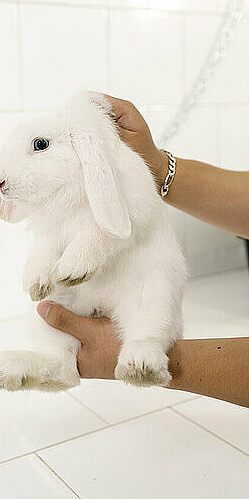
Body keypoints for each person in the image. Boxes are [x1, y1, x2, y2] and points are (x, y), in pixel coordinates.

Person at [37, 96, 249, 408]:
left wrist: (159, 352)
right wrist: (158, 165)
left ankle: (144, 348)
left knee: (156, 278)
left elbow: (119, 227)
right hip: (98, 298)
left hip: (138, 310)